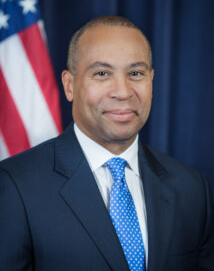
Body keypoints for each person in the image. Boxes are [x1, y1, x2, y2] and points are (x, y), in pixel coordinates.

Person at [0, 15, 213, 271]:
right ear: (70, 86)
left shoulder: (192, 188)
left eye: (136, 73)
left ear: (151, 80)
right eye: (102, 73)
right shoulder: (15, 186)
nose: (123, 92)